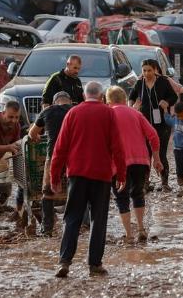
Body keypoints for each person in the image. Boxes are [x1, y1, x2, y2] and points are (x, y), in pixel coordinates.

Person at [51, 81, 126, 278]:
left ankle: (64, 262)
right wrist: (121, 174)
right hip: (101, 176)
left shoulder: (73, 113)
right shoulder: (108, 113)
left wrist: (54, 175)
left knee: (72, 218)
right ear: (101, 97)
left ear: (84, 96)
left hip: (77, 174)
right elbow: (117, 146)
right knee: (98, 220)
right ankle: (94, 265)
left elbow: (60, 148)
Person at [106, 86, 161, 243]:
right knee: (138, 194)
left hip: (118, 164)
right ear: (124, 99)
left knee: (121, 198)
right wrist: (156, 159)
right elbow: (154, 136)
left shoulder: (108, 115)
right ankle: (142, 229)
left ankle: (129, 235)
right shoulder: (136, 114)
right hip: (141, 162)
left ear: (108, 101)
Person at [28, 91, 73, 236]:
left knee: (48, 192)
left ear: (54, 102)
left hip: (53, 155)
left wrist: (37, 137)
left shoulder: (47, 111)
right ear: (69, 101)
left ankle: (47, 228)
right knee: (77, 189)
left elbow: (32, 134)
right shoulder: (75, 110)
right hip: (74, 156)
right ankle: (80, 226)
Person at [129, 59, 177, 191]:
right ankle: (145, 183)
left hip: (162, 123)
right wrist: (132, 107)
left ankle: (164, 183)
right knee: (146, 154)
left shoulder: (163, 82)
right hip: (144, 123)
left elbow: (174, 97)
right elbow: (131, 96)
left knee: (161, 153)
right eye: (144, 70)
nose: (147, 73)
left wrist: (167, 102)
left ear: (155, 70)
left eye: (149, 70)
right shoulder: (139, 83)